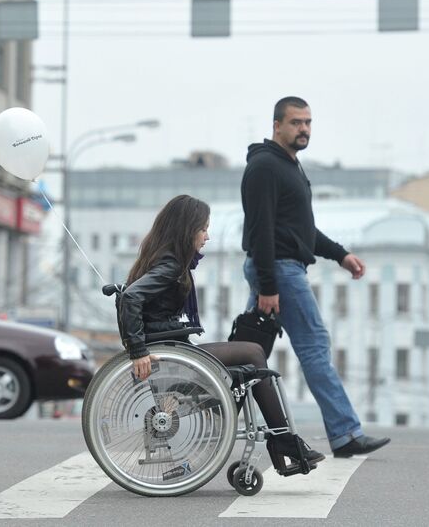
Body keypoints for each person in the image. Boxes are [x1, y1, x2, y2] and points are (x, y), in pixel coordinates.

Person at [119, 194, 324, 467]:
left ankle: (278, 440)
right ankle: (283, 440)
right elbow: (131, 298)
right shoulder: (169, 265)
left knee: (251, 359)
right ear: (186, 229)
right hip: (168, 354)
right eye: (203, 229)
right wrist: (138, 351)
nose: (207, 236)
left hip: (172, 347)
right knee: (253, 353)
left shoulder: (162, 259)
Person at [241, 96, 390, 458]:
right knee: (314, 347)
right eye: (296, 122)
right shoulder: (265, 167)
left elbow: (302, 231)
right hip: (277, 269)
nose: (304, 129)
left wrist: (341, 255)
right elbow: (262, 230)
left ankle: (212, 415)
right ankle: (345, 433)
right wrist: (268, 285)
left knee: (247, 355)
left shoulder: (291, 166)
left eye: (308, 122)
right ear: (277, 125)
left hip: (281, 267)